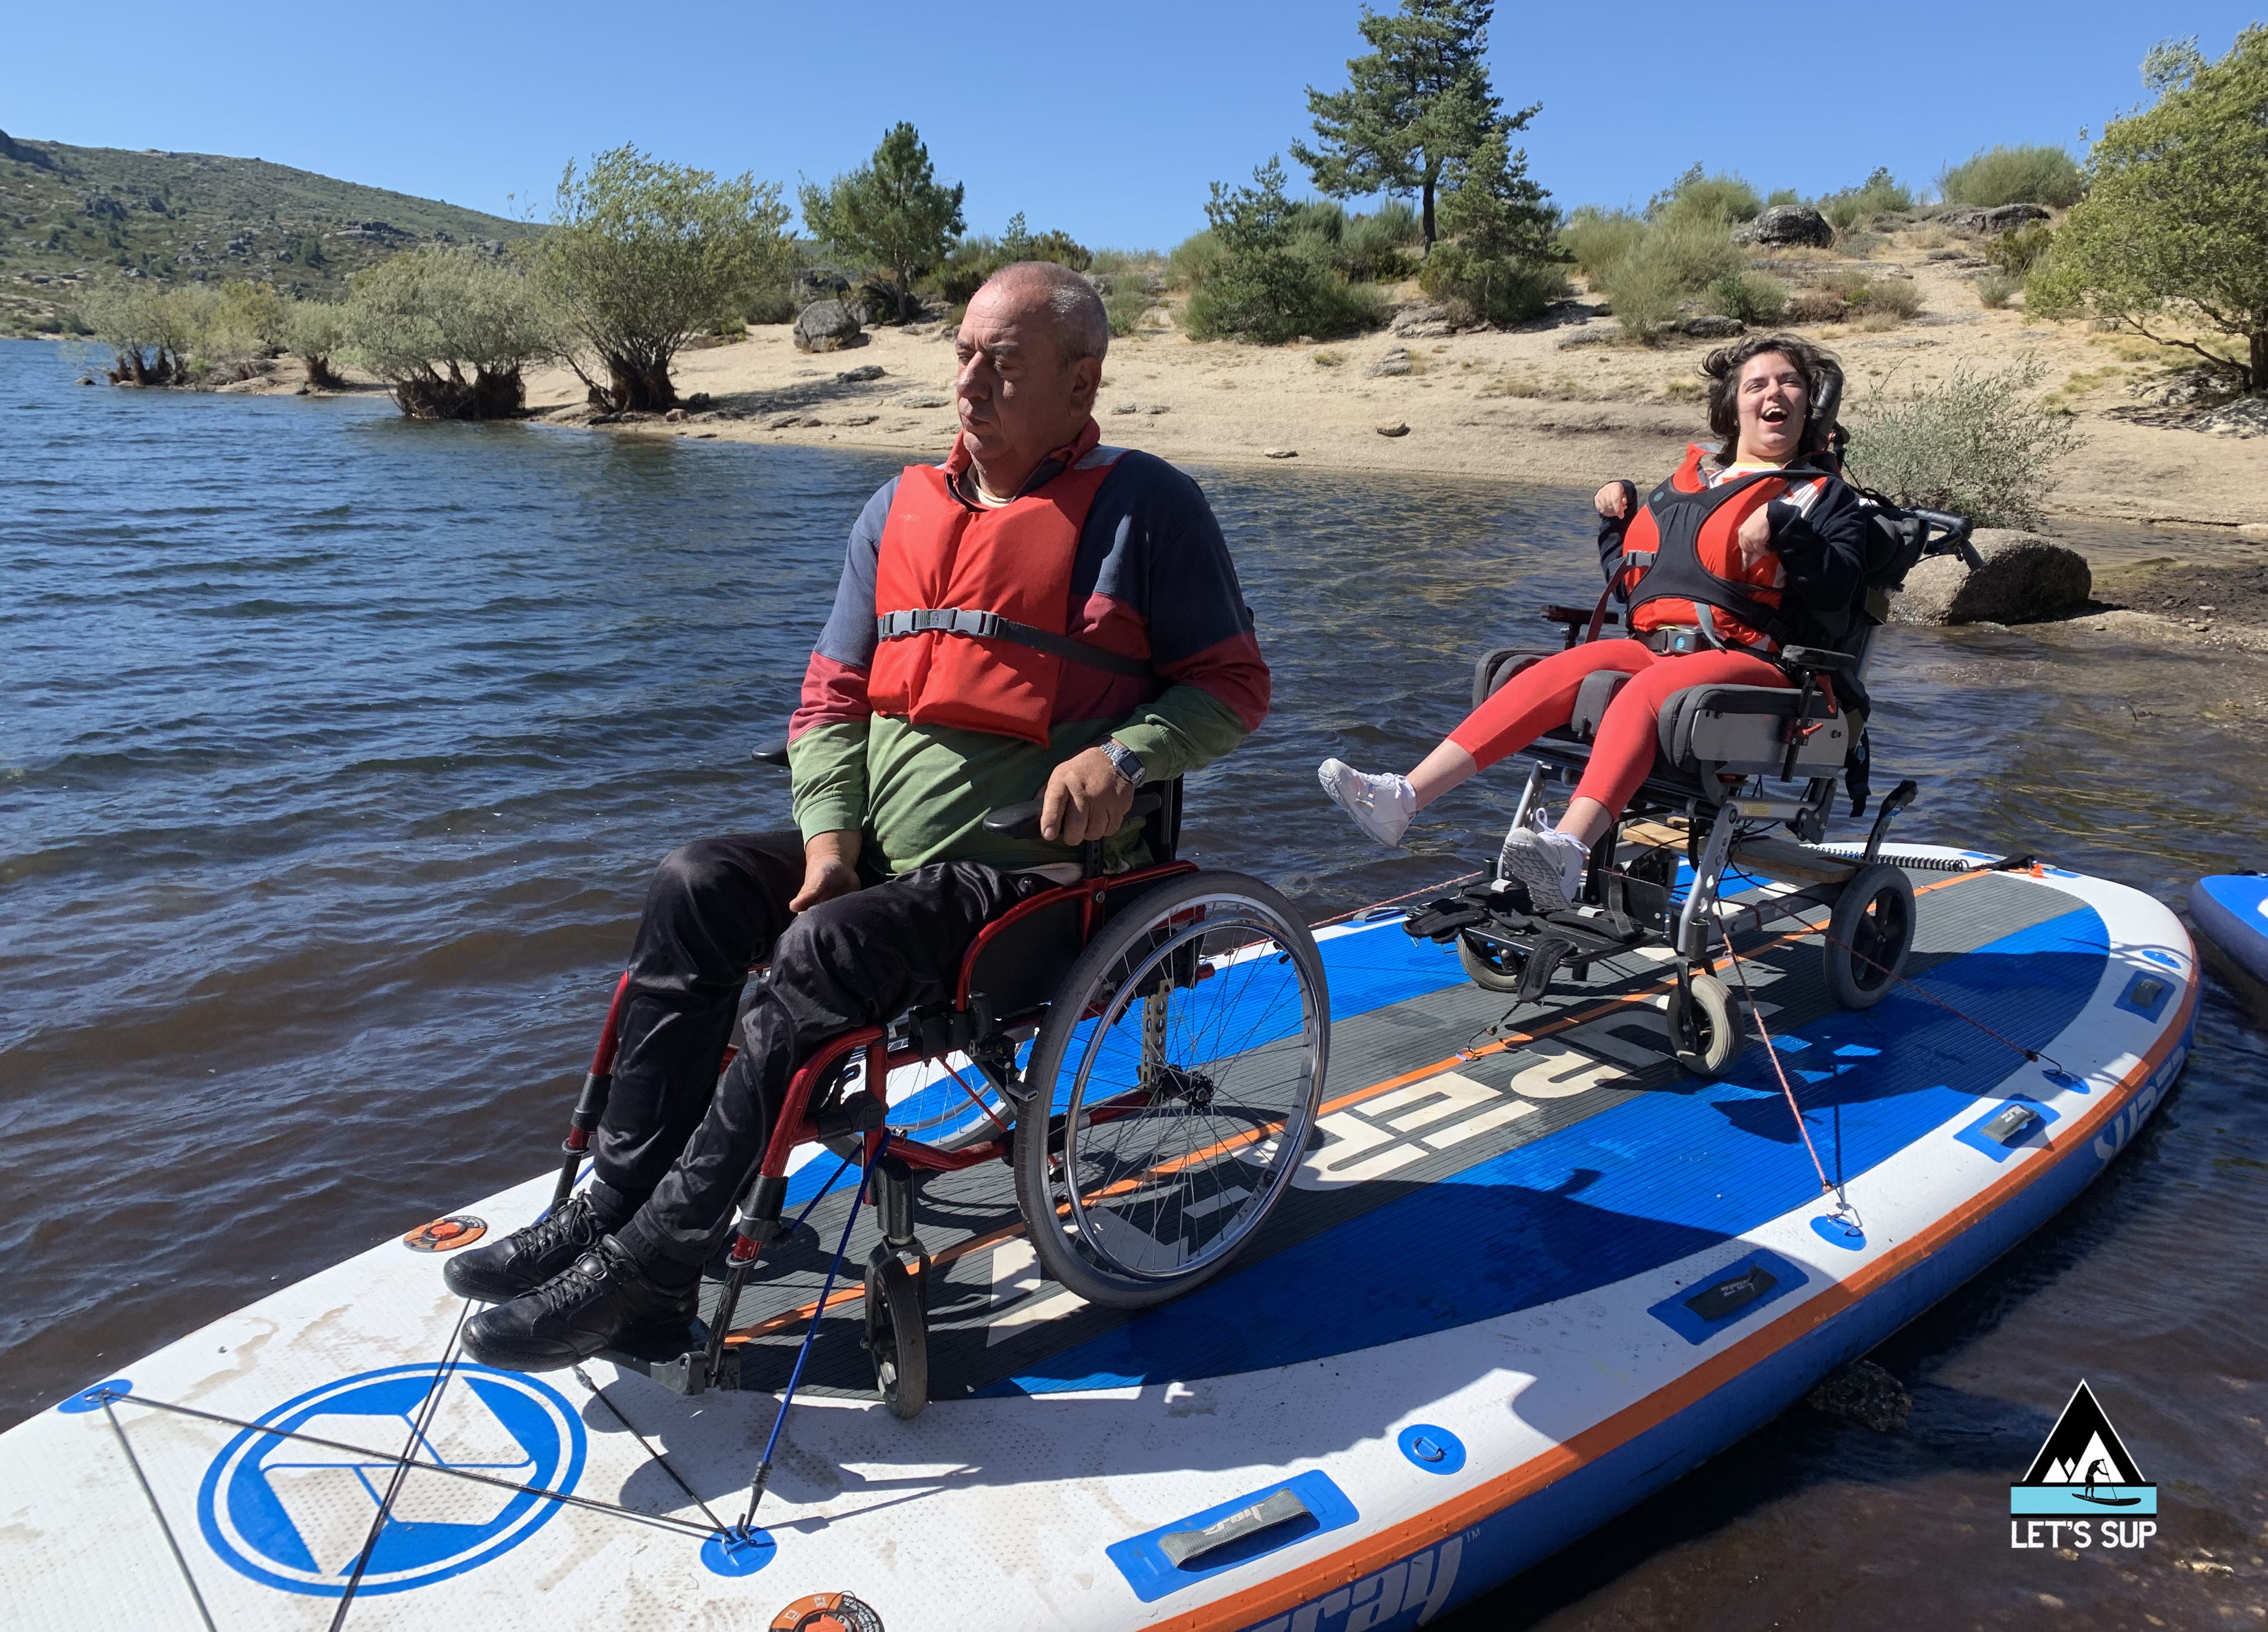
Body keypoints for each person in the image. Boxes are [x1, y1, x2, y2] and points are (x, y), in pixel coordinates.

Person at [452, 262, 1271, 1371]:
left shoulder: (1147, 509)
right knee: (694, 882)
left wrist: (1129, 753)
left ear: (1081, 383)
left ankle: (655, 1266)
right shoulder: (895, 510)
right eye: (964, 355)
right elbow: (831, 699)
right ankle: (620, 1202)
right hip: (887, 859)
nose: (970, 385)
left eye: (1005, 365)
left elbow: (1231, 687)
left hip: (1034, 882)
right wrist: (830, 842)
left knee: (825, 947)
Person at [1318, 335, 1869, 909]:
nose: (1773, 394)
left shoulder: (1821, 496)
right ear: (1733, 406)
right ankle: (1401, 798)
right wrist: (1615, 521)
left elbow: (1837, 594)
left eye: (1789, 384)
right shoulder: (1691, 484)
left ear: (1809, 406)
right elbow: (1638, 585)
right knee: (1563, 668)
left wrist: (1790, 532)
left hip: (1758, 664)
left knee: (1647, 689)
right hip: (1662, 647)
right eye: (1756, 384)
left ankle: (1567, 850)